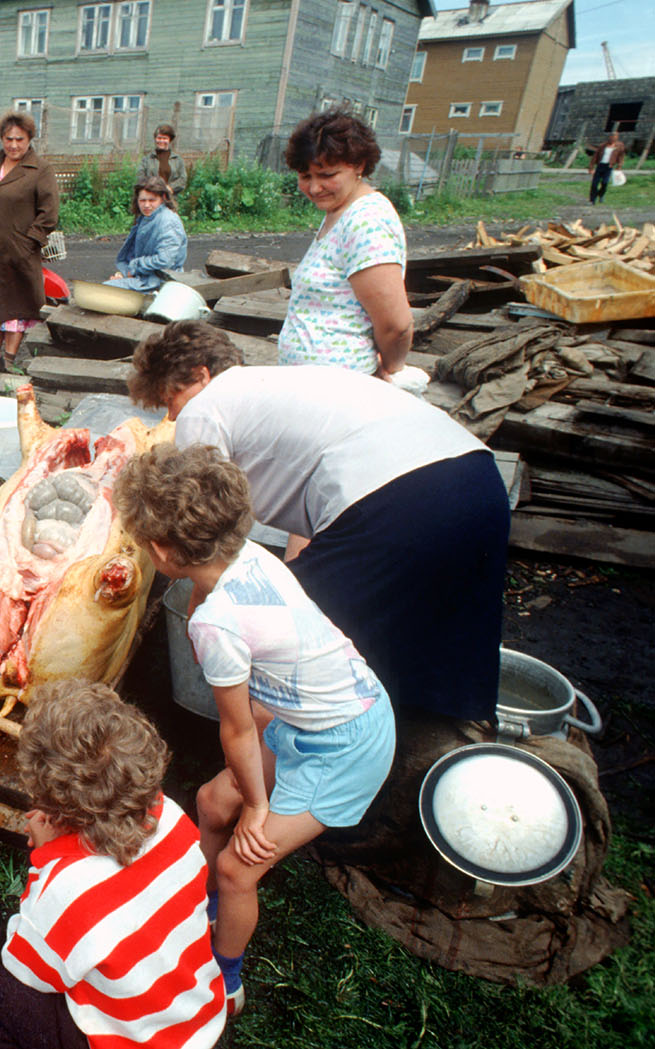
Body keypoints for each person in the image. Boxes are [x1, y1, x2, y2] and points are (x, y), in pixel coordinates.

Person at [115, 444, 395, 1016]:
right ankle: (196, 907)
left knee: (239, 865)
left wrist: (259, 809)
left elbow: (238, 731)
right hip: (321, 713)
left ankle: (225, 980)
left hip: (345, 747)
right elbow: (207, 594)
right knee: (212, 802)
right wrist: (244, 797)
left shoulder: (218, 627)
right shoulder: (248, 555)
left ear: (162, 551)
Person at [127, 320, 509, 726]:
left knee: (297, 641)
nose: (172, 415)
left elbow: (196, 520)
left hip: (397, 500)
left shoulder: (206, 406)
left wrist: (199, 607)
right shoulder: (285, 386)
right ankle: (438, 734)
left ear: (201, 375)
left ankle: (293, 751)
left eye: (170, 398)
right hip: (478, 480)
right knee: (441, 626)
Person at [0, 679, 226, 1049]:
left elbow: (29, 970)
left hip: (132, 1043)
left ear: (53, 799)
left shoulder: (65, 887)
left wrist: (45, 857)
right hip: (198, 1026)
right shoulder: (173, 818)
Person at [276, 110, 410, 377]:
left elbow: (396, 325)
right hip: (313, 384)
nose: (315, 188)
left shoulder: (367, 222)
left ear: (359, 165)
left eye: (327, 175)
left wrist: (390, 369)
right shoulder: (339, 211)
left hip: (340, 386)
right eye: (305, 176)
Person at [0, 110, 59, 373]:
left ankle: (8, 361)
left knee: (15, 307)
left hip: (19, 253)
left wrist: (28, 243)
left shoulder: (40, 170)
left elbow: (49, 213)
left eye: (20, 139)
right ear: (2, 139)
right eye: (9, 139)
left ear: (29, 139)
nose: (14, 145)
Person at [106, 175, 187, 292]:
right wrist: (125, 273)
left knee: (106, 290)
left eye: (152, 200)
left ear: (163, 198)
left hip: (163, 282)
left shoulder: (168, 222)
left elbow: (164, 261)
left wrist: (134, 267)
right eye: (142, 200)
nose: (146, 205)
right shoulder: (147, 218)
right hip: (147, 277)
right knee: (108, 287)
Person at [136, 124, 187, 200]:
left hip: (170, 199)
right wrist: (154, 189)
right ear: (155, 139)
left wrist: (169, 188)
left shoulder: (177, 159)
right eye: (159, 138)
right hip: (151, 199)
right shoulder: (146, 159)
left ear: (170, 140)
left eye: (165, 138)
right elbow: (140, 177)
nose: (161, 141)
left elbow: (182, 179)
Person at [589, 130, 626, 205]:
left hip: (609, 167)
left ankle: (601, 194)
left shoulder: (619, 146)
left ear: (617, 138)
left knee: (605, 182)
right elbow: (595, 156)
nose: (613, 139)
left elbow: (621, 156)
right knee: (595, 183)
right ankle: (593, 199)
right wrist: (591, 168)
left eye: (615, 137)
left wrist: (619, 165)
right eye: (612, 137)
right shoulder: (603, 146)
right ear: (609, 137)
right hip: (600, 166)